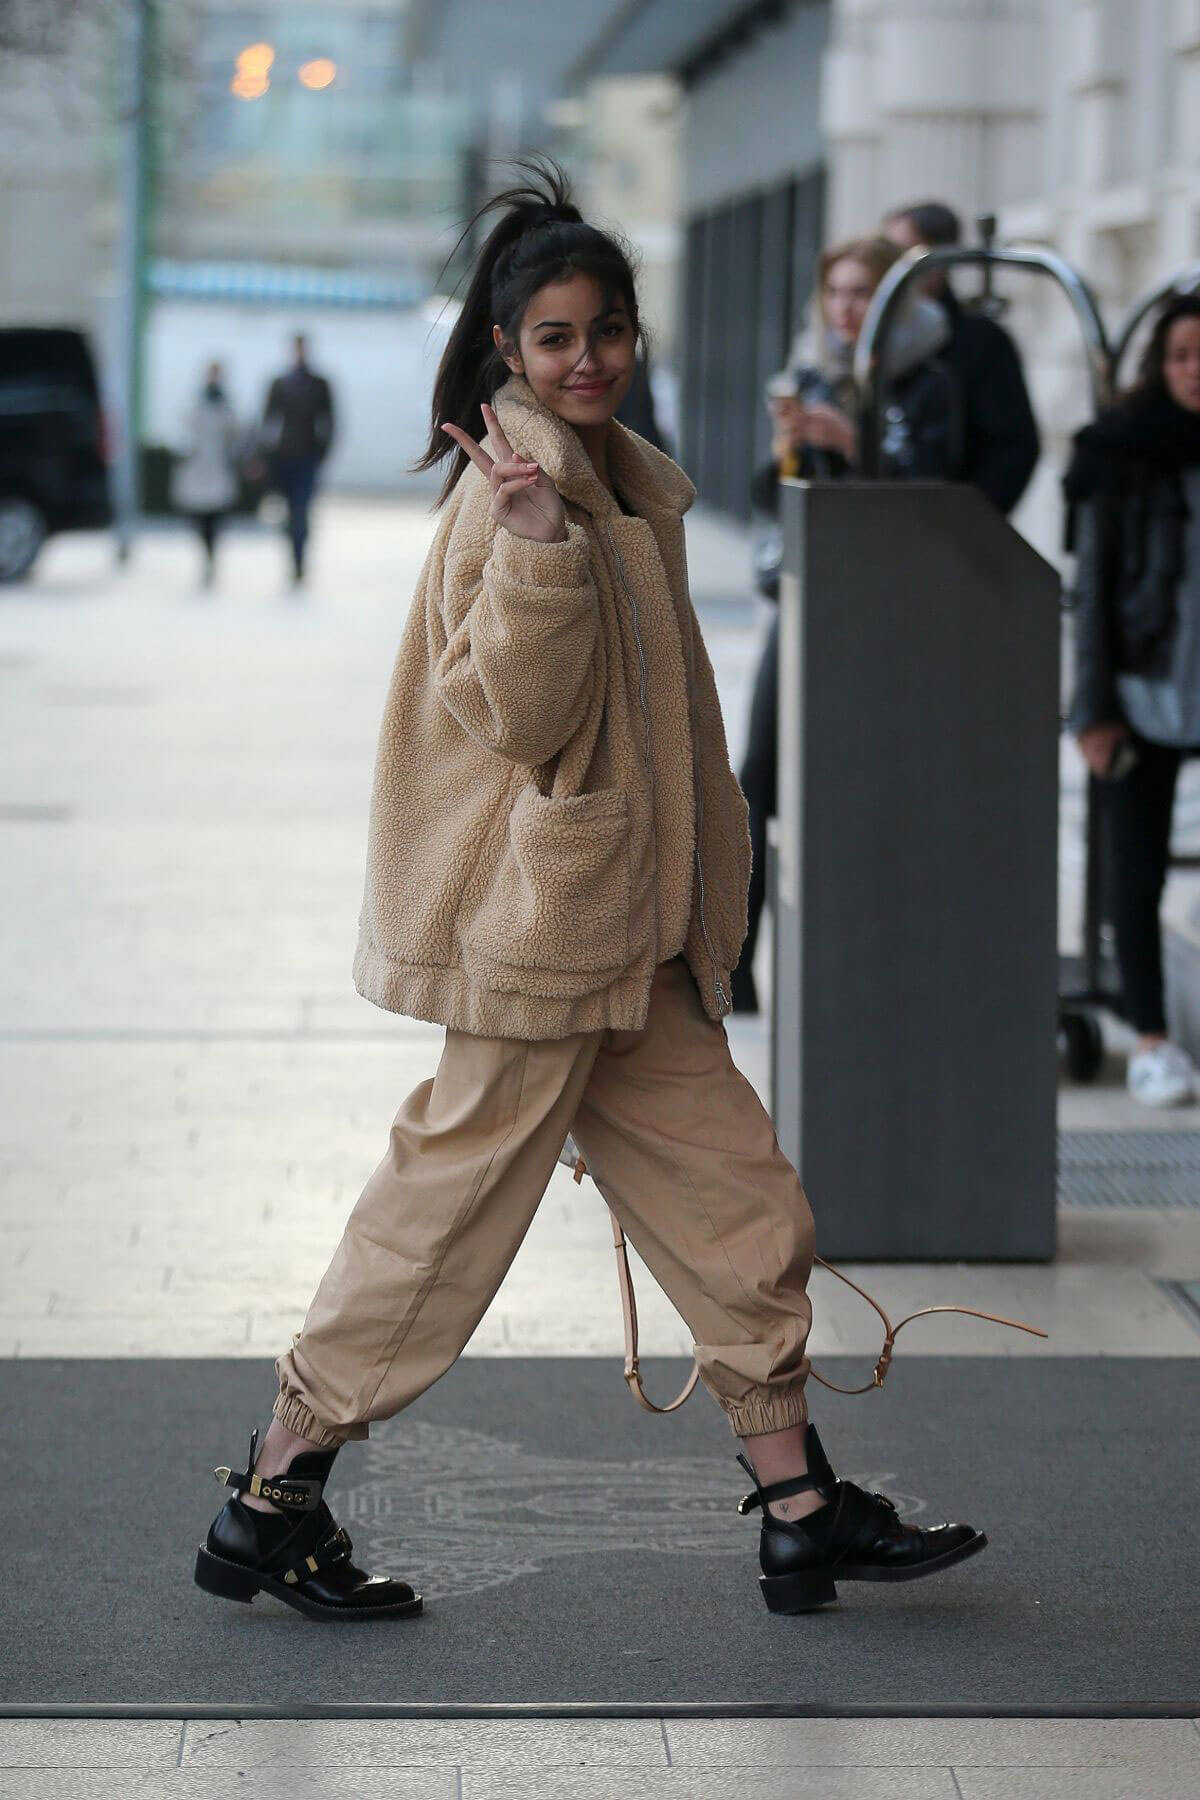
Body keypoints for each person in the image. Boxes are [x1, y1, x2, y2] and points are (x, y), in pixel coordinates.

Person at [194, 166, 985, 1623]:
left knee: (735, 1204)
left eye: (606, 328)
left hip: (625, 935)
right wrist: (539, 556)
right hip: (542, 939)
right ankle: (272, 1496)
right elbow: (519, 715)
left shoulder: (611, 463)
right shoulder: (525, 489)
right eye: (555, 337)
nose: (588, 357)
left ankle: (800, 1505)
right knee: (440, 1221)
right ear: (509, 350)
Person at [733, 234, 960, 1012]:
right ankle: (736, 966)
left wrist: (852, 441)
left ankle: (871, 958)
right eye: (836, 294)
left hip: (892, 615)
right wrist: (792, 447)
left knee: (864, 784)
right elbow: (771, 496)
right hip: (803, 597)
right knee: (754, 773)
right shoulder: (809, 373)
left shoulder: (929, 382)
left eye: (862, 293)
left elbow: (939, 497)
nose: (847, 309)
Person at [1066, 294, 1200, 1107]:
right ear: (1161, 363)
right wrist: (1093, 710)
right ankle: (1150, 1038)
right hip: (1143, 694)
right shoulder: (1120, 453)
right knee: (1134, 872)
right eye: (1184, 355)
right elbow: (1095, 597)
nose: (1197, 372)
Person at [883, 200, 1040, 516]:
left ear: (938, 261)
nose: (890, 269)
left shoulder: (978, 342)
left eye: (901, 255)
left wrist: (967, 523)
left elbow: (1012, 448)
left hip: (947, 527)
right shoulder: (872, 339)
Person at [261, 334, 335, 584]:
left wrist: (322, 452)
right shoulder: (280, 383)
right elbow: (267, 421)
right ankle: (292, 554)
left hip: (307, 456)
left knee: (301, 510)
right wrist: (264, 455)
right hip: (283, 456)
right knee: (287, 512)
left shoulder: (319, 384)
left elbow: (329, 420)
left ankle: (299, 561)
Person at [170, 362, 240, 587]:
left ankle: (211, 558)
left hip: (217, 467)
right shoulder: (196, 402)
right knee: (198, 517)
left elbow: (235, 433)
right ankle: (205, 555)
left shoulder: (227, 404)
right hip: (198, 468)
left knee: (215, 516)